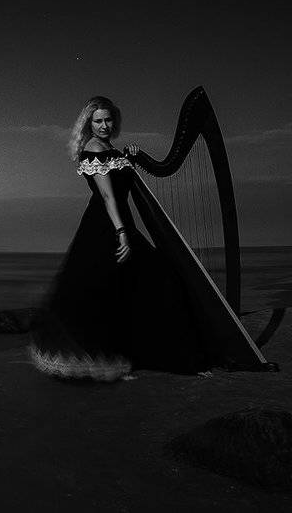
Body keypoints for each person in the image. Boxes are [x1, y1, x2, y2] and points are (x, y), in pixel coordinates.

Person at [26, 95, 209, 381]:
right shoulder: (93, 149)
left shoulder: (110, 149)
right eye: (97, 121)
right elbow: (109, 196)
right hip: (105, 227)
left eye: (108, 120)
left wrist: (132, 155)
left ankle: (133, 354)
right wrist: (122, 233)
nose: (103, 125)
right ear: (89, 123)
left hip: (118, 225)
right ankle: (116, 359)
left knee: (127, 285)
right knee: (122, 286)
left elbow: (122, 176)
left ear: (115, 120)